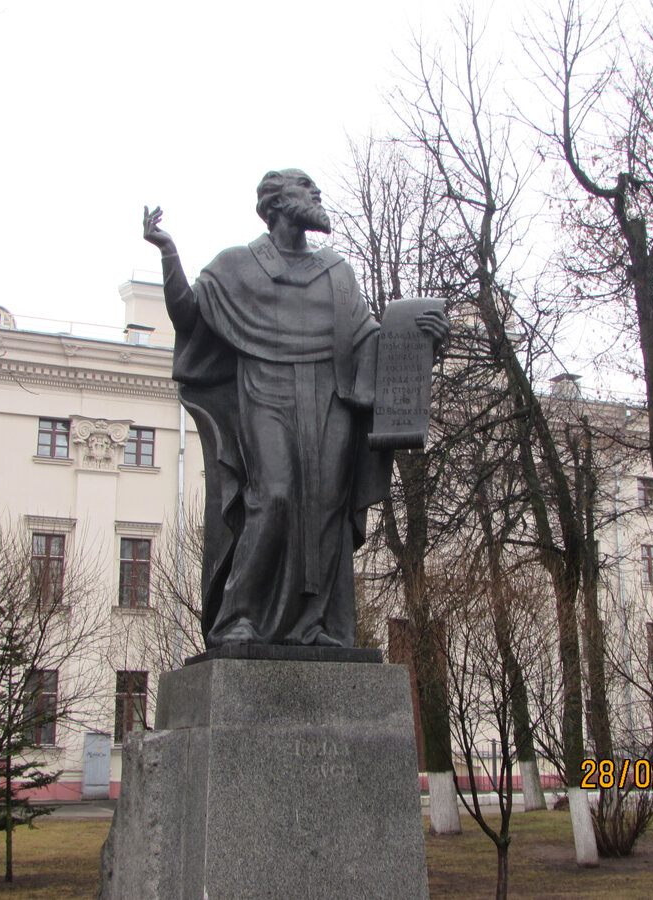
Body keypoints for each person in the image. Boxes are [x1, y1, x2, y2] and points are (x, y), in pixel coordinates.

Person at [143, 168, 447, 648]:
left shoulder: (337, 273)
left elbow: (367, 341)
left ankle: (318, 624)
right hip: (266, 390)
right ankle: (237, 616)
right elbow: (189, 315)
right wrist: (168, 252)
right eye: (306, 188)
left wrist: (420, 338)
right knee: (275, 495)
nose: (317, 194)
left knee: (327, 505)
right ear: (278, 202)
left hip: (330, 396)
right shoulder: (237, 266)